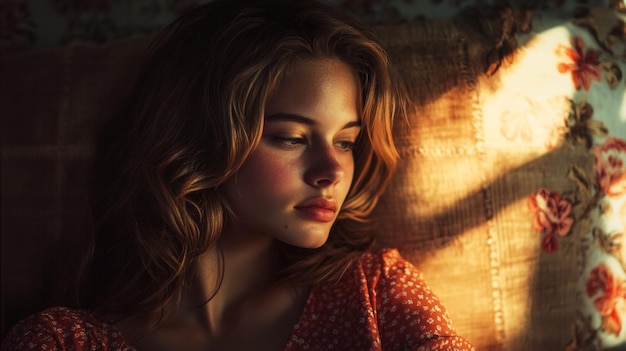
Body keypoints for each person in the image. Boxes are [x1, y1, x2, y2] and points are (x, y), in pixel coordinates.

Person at [1, 0, 474, 350]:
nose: (332, 171)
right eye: (291, 137)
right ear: (200, 140)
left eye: (346, 142)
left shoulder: (377, 294)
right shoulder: (63, 340)